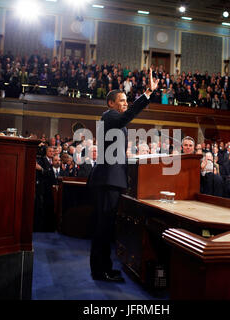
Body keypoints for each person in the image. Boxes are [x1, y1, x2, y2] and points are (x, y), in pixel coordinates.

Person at [87, 68, 158, 282]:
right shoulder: (109, 116)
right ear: (111, 103)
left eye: (127, 100)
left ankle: (103, 268)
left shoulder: (113, 119)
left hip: (111, 180)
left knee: (106, 227)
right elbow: (127, 116)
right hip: (107, 181)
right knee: (103, 228)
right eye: (122, 100)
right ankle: (101, 272)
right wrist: (146, 94)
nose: (126, 103)